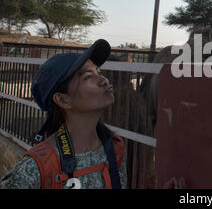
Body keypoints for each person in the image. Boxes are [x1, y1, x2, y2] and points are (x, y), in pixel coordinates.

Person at [0, 39, 127, 189]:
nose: (104, 80)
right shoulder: (36, 169)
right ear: (62, 100)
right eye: (87, 77)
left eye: (98, 72)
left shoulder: (114, 148)